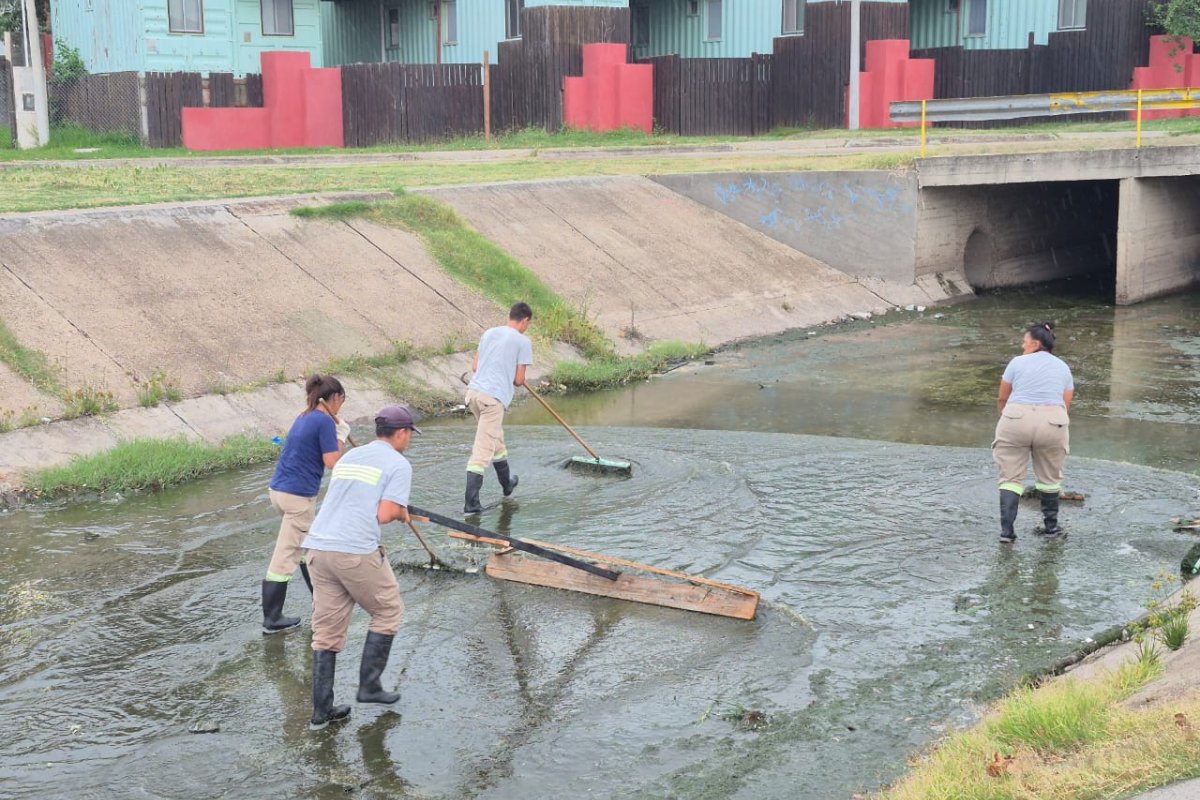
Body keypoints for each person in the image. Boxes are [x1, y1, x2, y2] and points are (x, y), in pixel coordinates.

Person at [303, 404, 421, 730]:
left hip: (318, 548)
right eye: (409, 433)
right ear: (401, 433)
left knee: (325, 634)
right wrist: (400, 512)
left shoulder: (351, 457)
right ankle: (369, 686)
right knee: (388, 611)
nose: (409, 439)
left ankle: (321, 713)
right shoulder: (399, 464)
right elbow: (382, 514)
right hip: (353, 551)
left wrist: (395, 507)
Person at [261, 375, 352, 634]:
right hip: (298, 498)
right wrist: (341, 436)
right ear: (334, 398)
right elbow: (334, 462)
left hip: (278, 491)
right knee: (286, 557)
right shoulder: (324, 421)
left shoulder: (305, 415)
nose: (340, 408)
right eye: (341, 402)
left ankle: (322, 602)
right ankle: (272, 619)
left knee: (308, 548)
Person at [993, 321, 1075, 544]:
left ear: (1036, 343)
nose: (1022, 346)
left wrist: (1006, 417)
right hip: (1052, 421)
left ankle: (1007, 533)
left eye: (1025, 341)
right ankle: (1051, 528)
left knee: (1010, 478)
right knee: (1049, 478)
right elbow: (1065, 404)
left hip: (1015, 419)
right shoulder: (1063, 368)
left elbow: (1003, 397)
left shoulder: (1016, 363)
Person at [463, 302, 534, 514]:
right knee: (482, 452)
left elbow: (475, 367)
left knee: (496, 441)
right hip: (492, 400)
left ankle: (507, 483)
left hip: (473, 395)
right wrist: (511, 370)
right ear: (525, 321)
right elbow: (519, 380)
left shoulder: (489, 333)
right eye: (528, 324)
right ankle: (471, 504)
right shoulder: (523, 341)